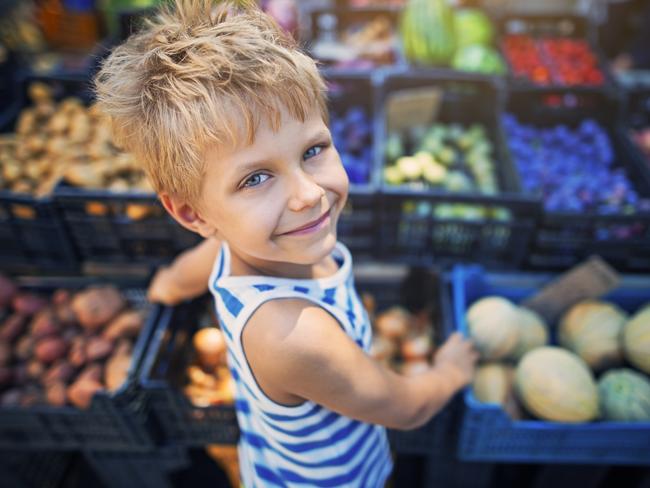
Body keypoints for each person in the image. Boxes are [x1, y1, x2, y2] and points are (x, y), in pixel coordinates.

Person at [94, 1, 478, 486]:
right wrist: (448, 372)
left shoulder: (235, 244)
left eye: (313, 150)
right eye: (256, 178)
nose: (309, 193)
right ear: (193, 213)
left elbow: (186, 273)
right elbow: (403, 408)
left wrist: (165, 287)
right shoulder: (294, 335)